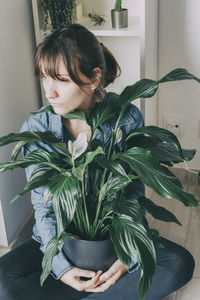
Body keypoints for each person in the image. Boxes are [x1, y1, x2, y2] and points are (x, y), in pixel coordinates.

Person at [0, 24, 195, 300]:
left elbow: (133, 196)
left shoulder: (124, 118)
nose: (49, 92)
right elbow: (44, 211)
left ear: (94, 78)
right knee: (3, 282)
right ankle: (99, 290)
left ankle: (88, 288)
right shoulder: (38, 127)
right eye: (44, 77)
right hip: (62, 242)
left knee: (178, 264)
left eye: (62, 80)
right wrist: (62, 268)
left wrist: (127, 253)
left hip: (111, 243)